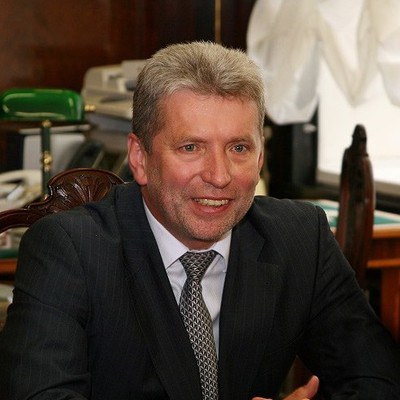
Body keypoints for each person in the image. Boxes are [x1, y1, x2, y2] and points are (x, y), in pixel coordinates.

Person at [0, 41, 399, 400]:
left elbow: (380, 379)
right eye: (191, 147)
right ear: (140, 158)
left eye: (238, 148)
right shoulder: (68, 249)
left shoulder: (300, 238)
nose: (219, 176)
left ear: (260, 157)